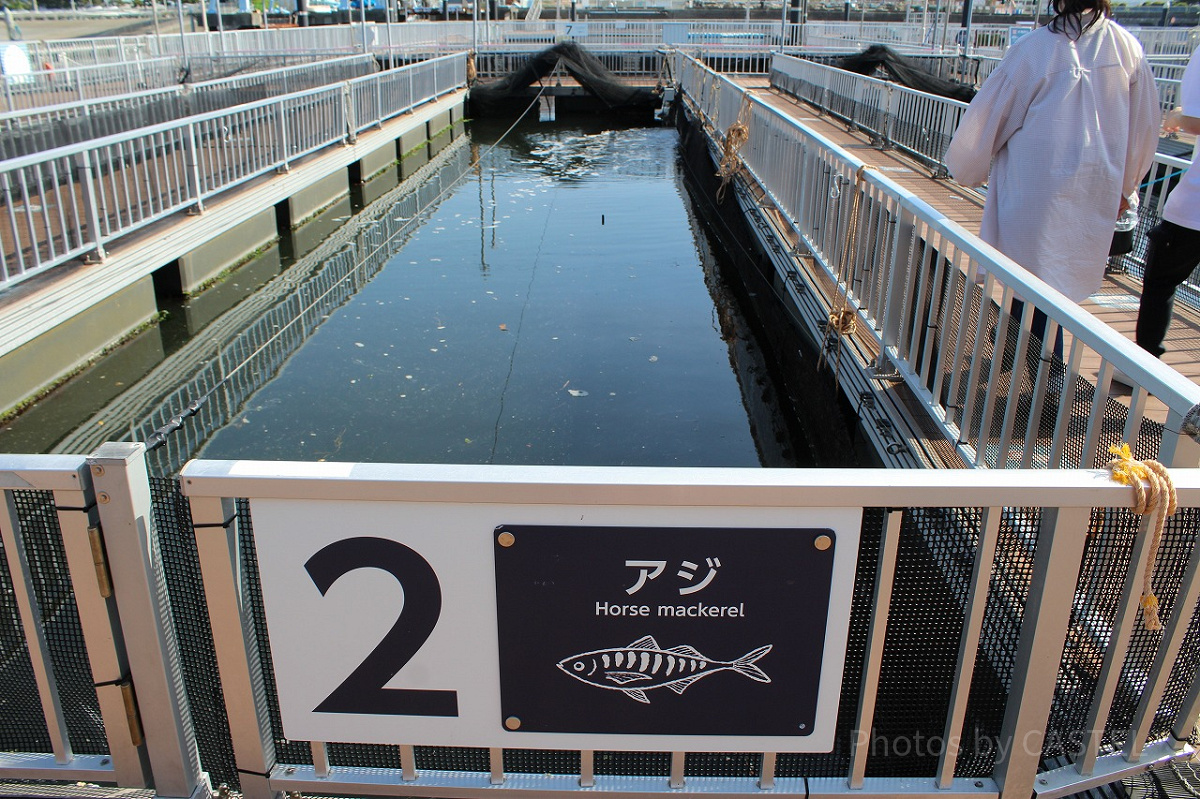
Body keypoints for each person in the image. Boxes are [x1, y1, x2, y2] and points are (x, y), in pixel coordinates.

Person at [944, 0, 1161, 352]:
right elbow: (1145, 129)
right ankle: (1031, 363)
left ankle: (1042, 374)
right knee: (1059, 285)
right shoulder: (1127, 48)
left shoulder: (1034, 49)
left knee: (1029, 282)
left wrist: (967, 168)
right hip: (1095, 189)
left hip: (1034, 190)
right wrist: (1127, 187)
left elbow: (987, 121)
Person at [1134, 45, 1200, 360]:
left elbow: (1196, 121)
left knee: (1160, 283)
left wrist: (1176, 115)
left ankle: (1144, 366)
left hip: (1194, 211)